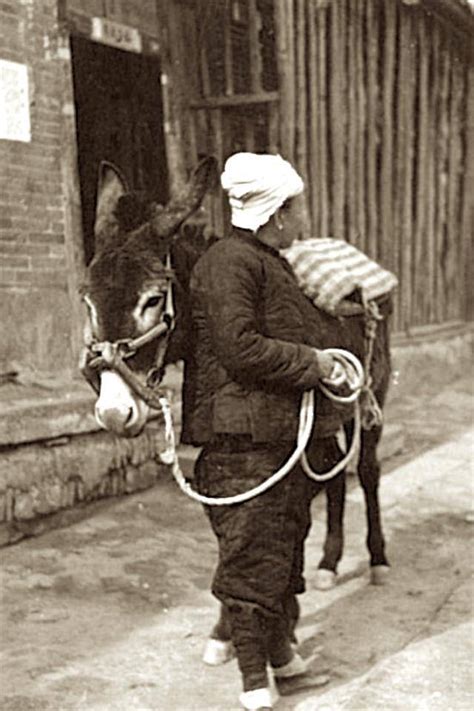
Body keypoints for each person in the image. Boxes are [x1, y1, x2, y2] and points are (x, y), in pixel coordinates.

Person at [187, 153, 346, 710]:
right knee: (252, 562)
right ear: (277, 214)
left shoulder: (261, 259)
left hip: (274, 437)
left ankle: (283, 660)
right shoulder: (232, 261)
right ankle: (256, 687)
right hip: (244, 442)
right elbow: (239, 347)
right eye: (297, 210)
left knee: (280, 550)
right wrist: (315, 363)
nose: (302, 220)